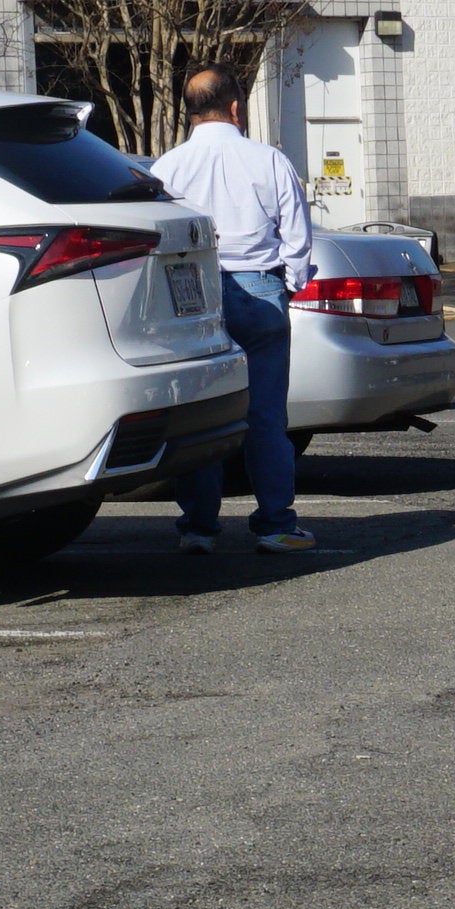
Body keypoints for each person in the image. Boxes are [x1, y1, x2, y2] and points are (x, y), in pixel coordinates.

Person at [154, 67, 319, 554]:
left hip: (192, 294)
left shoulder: (168, 166)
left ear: (190, 112)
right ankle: (275, 525)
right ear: (235, 108)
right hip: (259, 288)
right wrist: (289, 284)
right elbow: (297, 238)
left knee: (202, 415)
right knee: (266, 416)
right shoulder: (268, 160)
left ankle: (199, 529)